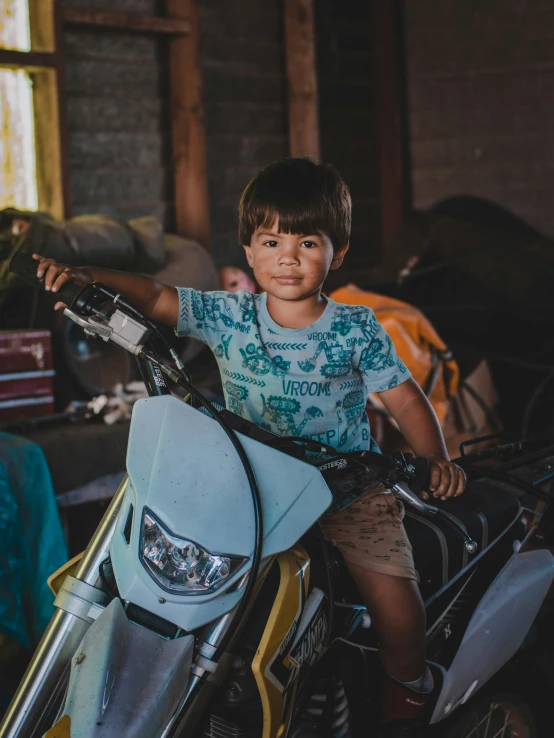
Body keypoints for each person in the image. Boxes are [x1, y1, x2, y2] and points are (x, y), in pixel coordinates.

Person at [33, 158, 465, 737]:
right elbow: (159, 296)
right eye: (271, 240)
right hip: (244, 485)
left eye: (308, 241)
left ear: (337, 252)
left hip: (347, 490)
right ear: (249, 248)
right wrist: (90, 276)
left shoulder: (356, 328)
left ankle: (409, 688)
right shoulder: (228, 315)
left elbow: (407, 400)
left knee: (397, 608)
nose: (288, 256)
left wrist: (435, 462)